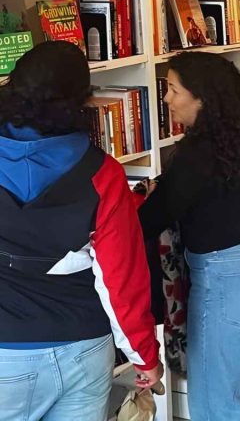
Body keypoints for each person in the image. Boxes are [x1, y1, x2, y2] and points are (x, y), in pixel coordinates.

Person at [0, 41, 162, 420]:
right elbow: (121, 278)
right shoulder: (103, 173)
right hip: (84, 349)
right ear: (81, 101)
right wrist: (144, 357)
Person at [136, 52, 240, 421]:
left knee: (218, 401)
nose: (167, 100)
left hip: (232, 275)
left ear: (202, 98)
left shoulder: (195, 156)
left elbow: (152, 218)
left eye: (173, 90)